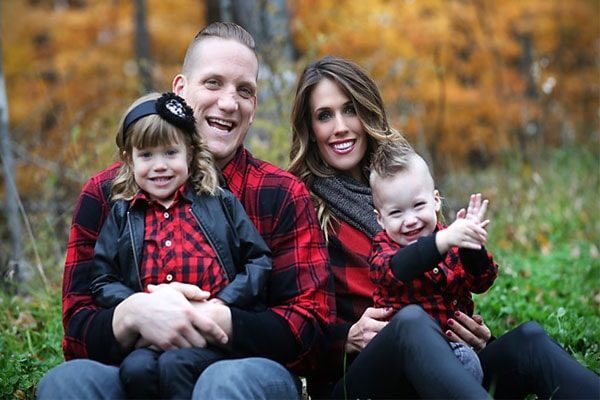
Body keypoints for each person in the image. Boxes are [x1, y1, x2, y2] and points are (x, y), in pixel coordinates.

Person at [38, 22, 333, 400]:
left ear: (254, 107)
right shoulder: (108, 194)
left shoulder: (280, 194)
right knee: (66, 384)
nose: (229, 103)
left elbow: (312, 329)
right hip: (136, 367)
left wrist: (218, 317)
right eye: (213, 83)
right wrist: (133, 315)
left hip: (242, 368)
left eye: (244, 91)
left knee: (221, 384)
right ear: (179, 91)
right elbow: (77, 329)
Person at [288, 55, 600, 399]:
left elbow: (458, 281)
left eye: (350, 110)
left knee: (528, 341)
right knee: (410, 323)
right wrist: (344, 337)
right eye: (324, 116)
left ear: (368, 113)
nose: (340, 127)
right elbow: (288, 324)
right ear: (310, 129)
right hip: (362, 382)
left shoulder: (407, 190)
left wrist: (478, 339)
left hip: (443, 365)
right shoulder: (301, 205)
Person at [89, 91, 273, 399]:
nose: (159, 165)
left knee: (177, 366)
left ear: (189, 153)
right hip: (149, 335)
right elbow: (102, 279)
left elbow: (258, 260)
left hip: (209, 332)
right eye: (146, 155)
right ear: (129, 159)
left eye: (170, 153)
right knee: (135, 370)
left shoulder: (219, 202)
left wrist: (222, 302)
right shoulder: (123, 213)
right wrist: (143, 305)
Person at [369, 141, 499, 384]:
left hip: (455, 345)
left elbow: (482, 281)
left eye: (418, 205)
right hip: (407, 359)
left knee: (473, 360)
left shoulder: (450, 240)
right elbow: (393, 270)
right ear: (380, 218)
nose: (410, 220)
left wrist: (471, 246)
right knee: (467, 363)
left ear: (436, 200)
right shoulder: (384, 249)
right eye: (396, 213)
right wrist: (444, 240)